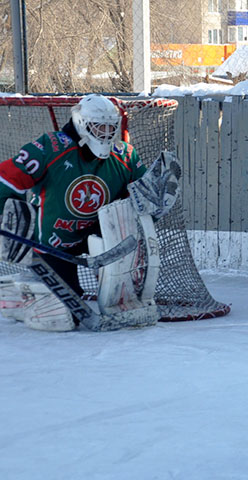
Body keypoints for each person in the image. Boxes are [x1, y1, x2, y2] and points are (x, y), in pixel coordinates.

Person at [0, 94, 180, 331]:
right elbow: (6, 178)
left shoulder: (125, 155)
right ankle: (15, 295)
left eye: (110, 127)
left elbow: (140, 204)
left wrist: (154, 201)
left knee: (122, 294)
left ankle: (119, 295)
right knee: (64, 316)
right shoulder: (51, 147)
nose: (106, 133)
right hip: (53, 244)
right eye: (99, 126)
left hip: (100, 236)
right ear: (82, 124)